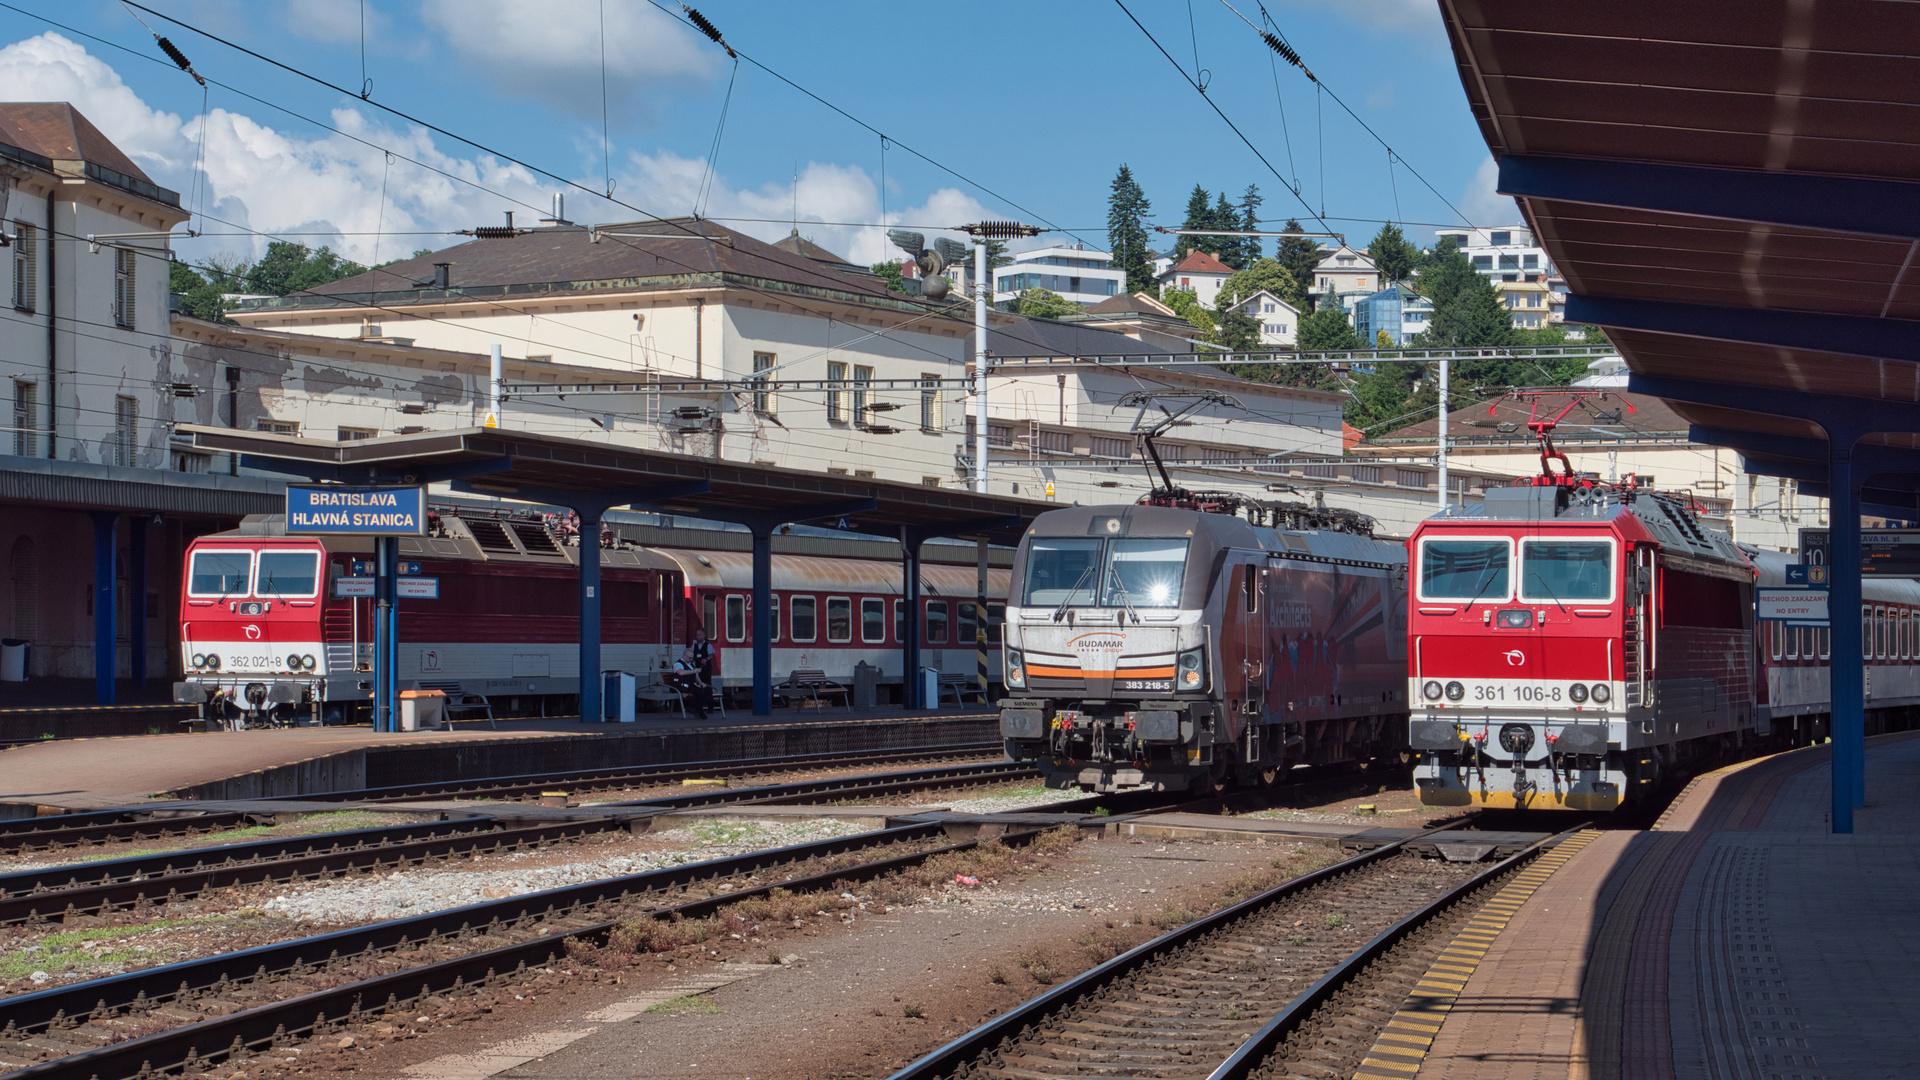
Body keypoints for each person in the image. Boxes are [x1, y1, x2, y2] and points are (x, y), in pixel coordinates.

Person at [671, 647, 714, 719]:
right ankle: (699, 711)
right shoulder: (678, 664)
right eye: (689, 658)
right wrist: (694, 671)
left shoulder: (691, 664)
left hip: (690, 684)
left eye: (692, 658)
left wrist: (701, 683)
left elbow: (696, 676)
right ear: (684, 655)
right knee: (699, 691)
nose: (691, 659)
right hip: (682, 685)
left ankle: (693, 707)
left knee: (708, 690)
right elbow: (681, 673)